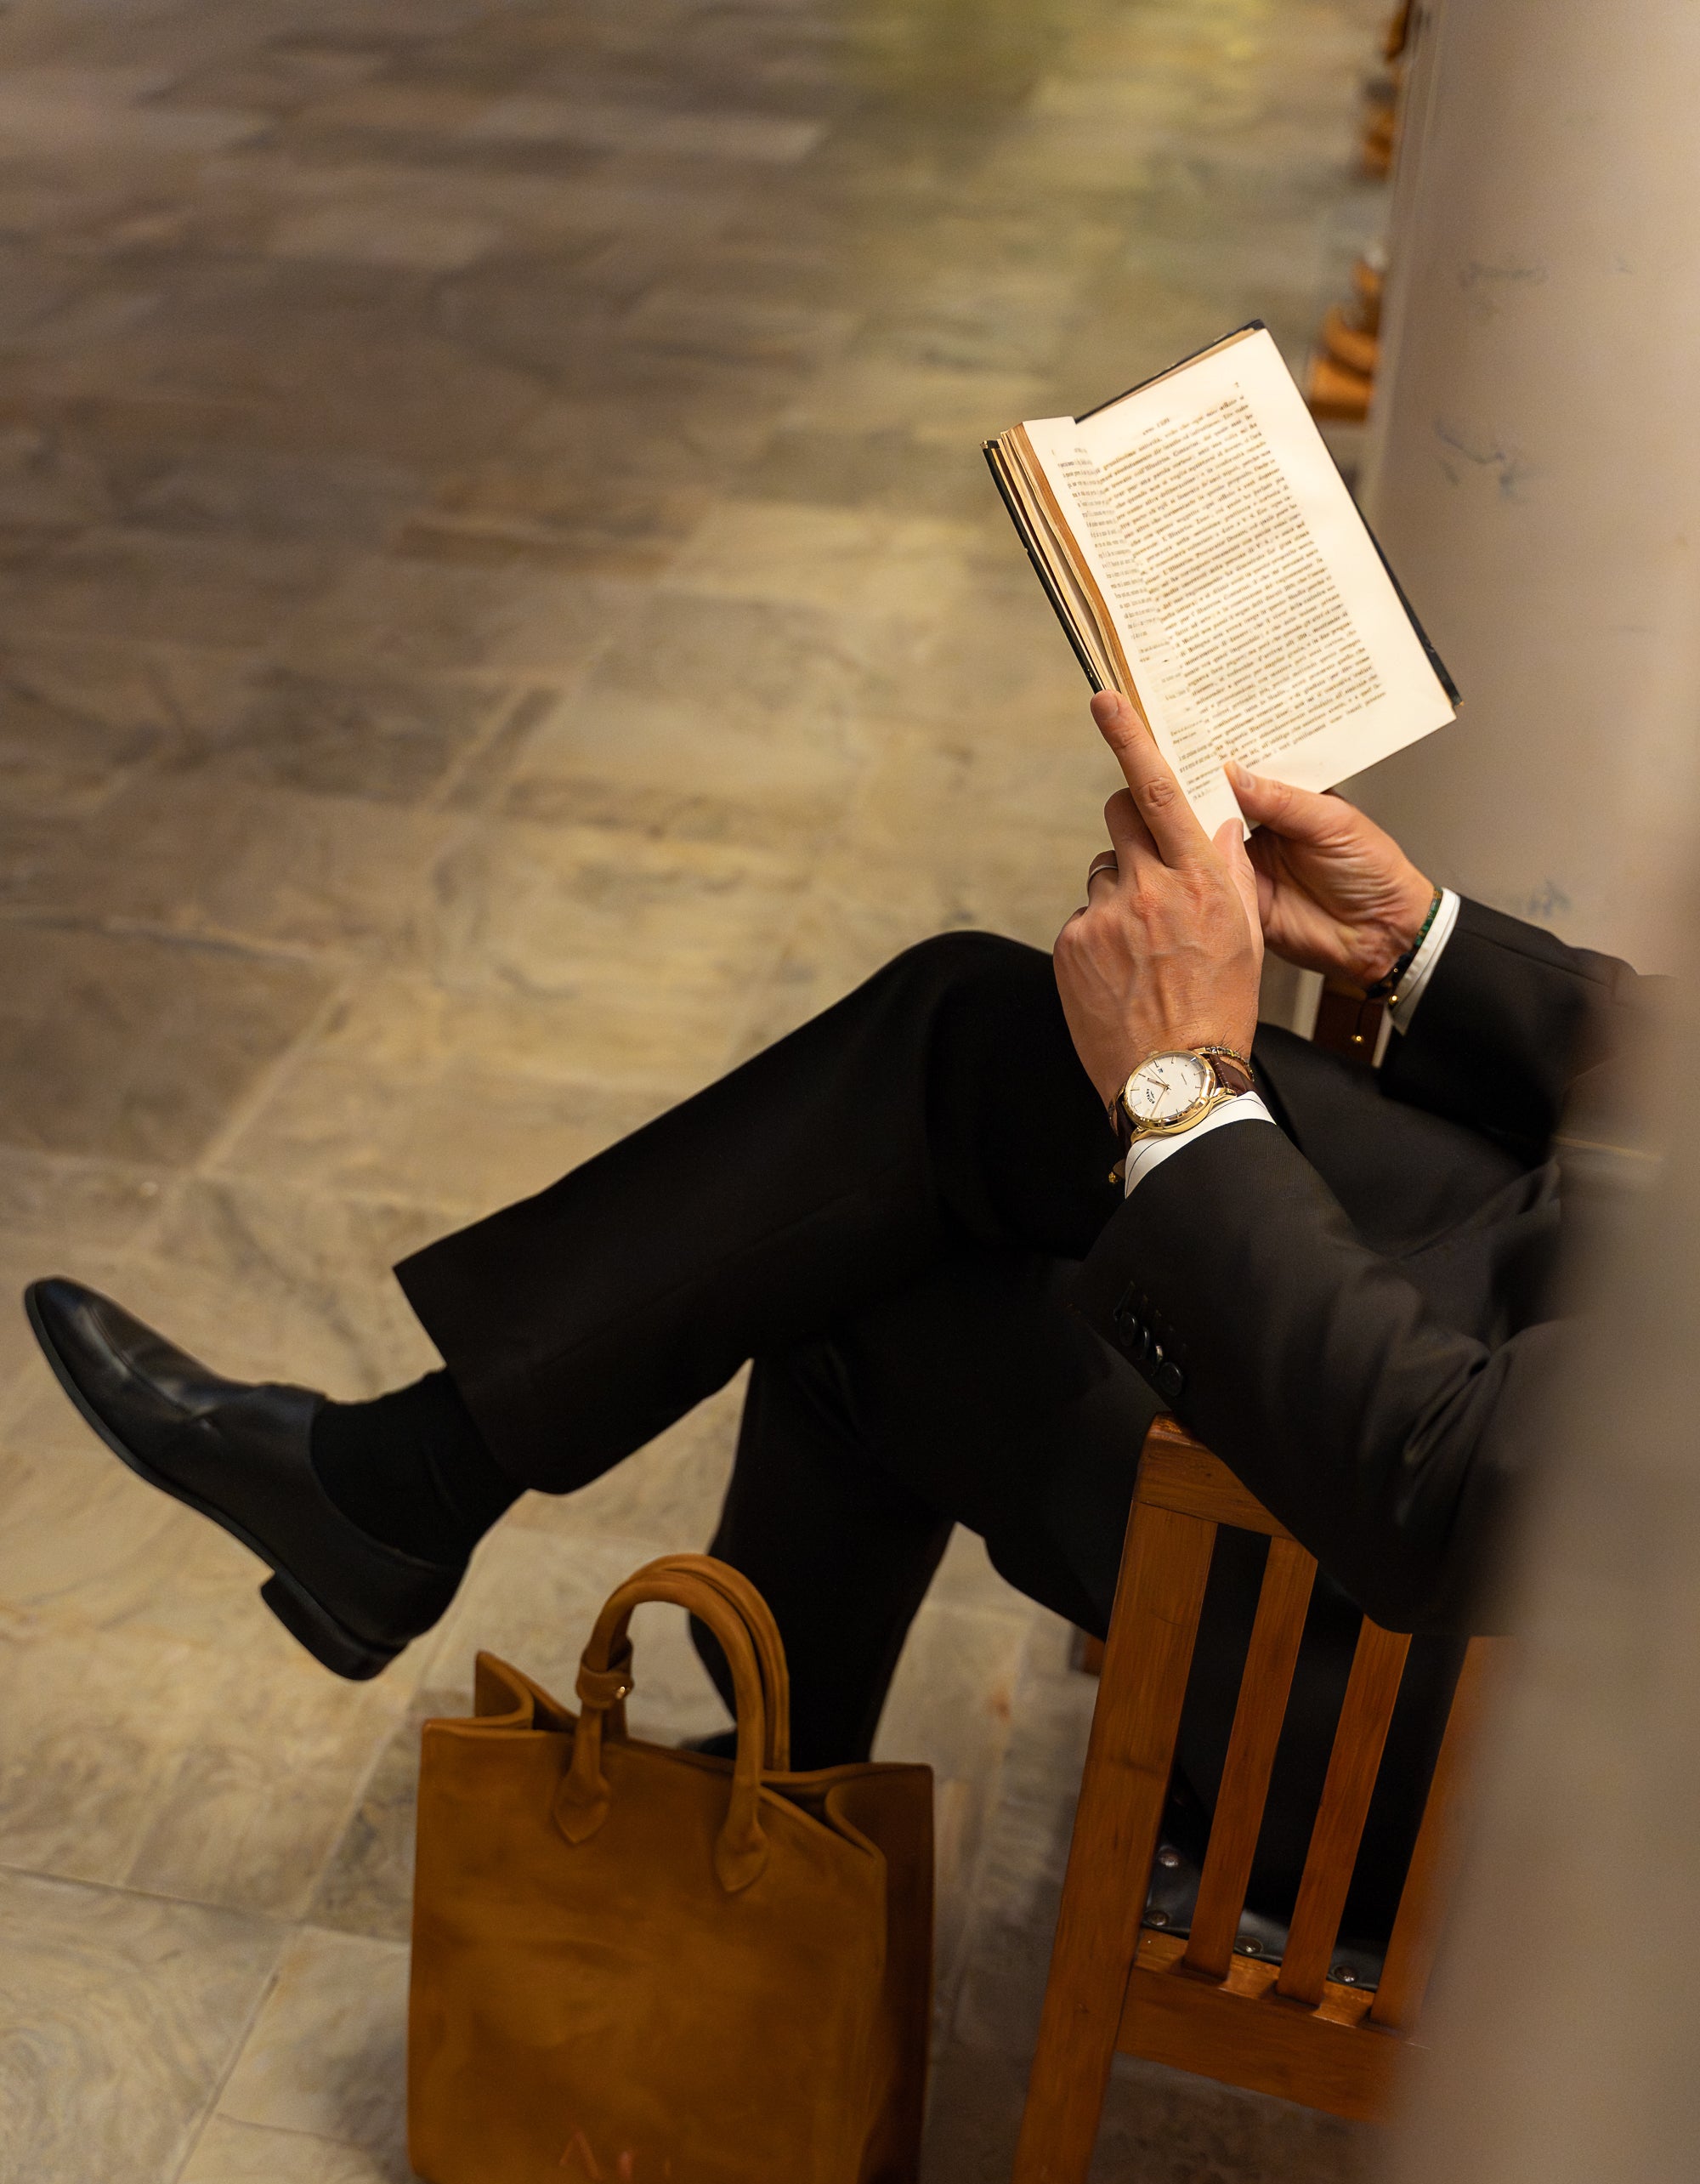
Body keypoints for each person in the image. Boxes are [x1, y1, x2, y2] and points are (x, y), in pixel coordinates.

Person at [23, 695, 1639, 1937]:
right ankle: (431, 1503)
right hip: (1569, 1284)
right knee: (964, 1042)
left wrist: (1185, 1097)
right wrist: (1409, 942)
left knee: (871, 1274)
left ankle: (451, 1538)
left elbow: (1450, 1490)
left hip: (1490, 1691)